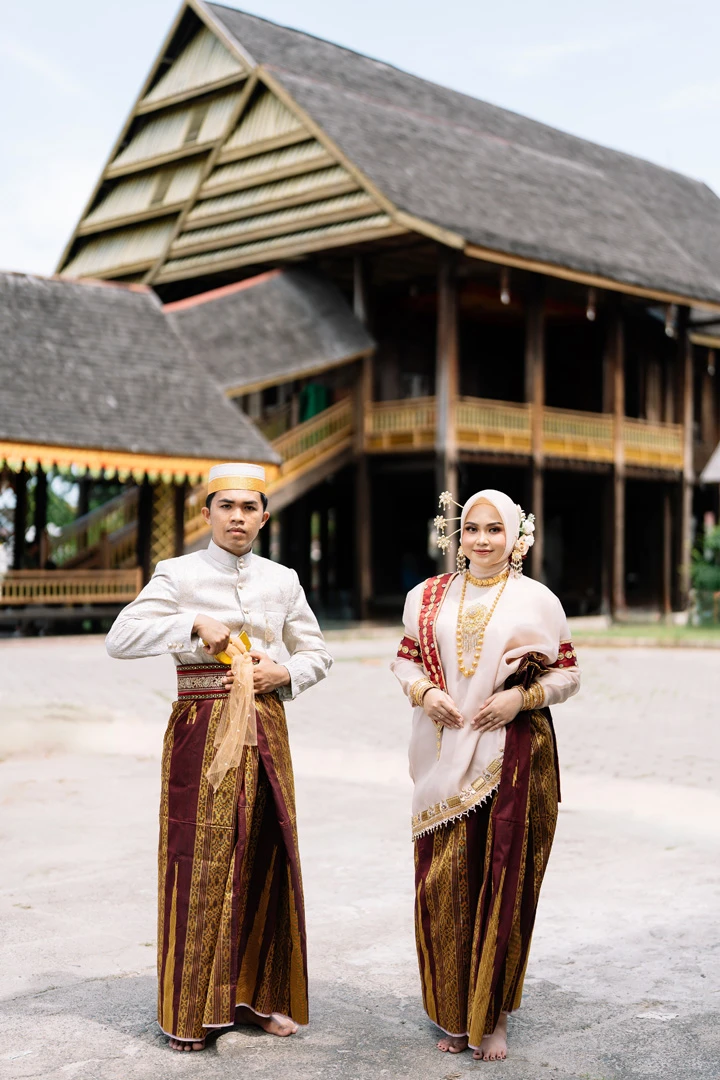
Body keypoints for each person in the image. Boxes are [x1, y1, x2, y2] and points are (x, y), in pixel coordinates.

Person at [106, 463, 332, 1051]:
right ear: (205, 513)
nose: (237, 517)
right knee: (198, 856)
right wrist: (192, 623)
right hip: (200, 725)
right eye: (226, 506)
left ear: (264, 517)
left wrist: (287, 672)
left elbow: (317, 651)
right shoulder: (177, 573)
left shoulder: (282, 579)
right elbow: (120, 637)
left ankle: (256, 998)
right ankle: (190, 1010)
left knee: (265, 849)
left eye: (249, 507)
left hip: (265, 722)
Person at [390, 488, 580, 1062]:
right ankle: (454, 1011)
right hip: (442, 752)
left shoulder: (537, 600)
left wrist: (521, 699)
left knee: (504, 884)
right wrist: (424, 692)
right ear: (457, 534)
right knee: (445, 883)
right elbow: (405, 659)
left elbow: (568, 674)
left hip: (513, 755)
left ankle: (493, 1014)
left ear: (515, 537)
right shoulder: (428, 596)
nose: (481, 539)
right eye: (471, 528)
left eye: (494, 529)